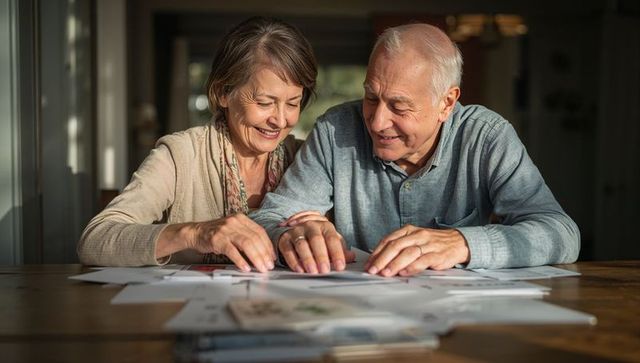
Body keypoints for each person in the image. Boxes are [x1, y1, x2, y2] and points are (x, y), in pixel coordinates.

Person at [252, 23, 580, 276]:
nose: (377, 122)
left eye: (399, 106)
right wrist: (290, 238)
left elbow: (561, 233)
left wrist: (462, 243)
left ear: (446, 103)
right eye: (371, 97)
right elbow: (270, 218)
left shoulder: (486, 137)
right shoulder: (335, 130)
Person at [78, 17, 324, 272]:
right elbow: (96, 239)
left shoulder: (310, 158)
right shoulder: (180, 156)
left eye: (293, 103)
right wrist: (194, 233)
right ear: (223, 93)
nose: (280, 120)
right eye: (264, 102)